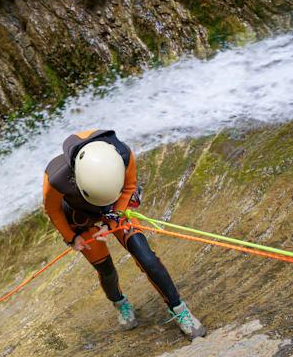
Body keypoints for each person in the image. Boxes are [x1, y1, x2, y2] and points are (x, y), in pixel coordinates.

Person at [43, 129, 206, 340]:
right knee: (106, 270)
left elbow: (128, 187)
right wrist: (71, 237)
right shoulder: (55, 178)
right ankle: (120, 303)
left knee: (147, 258)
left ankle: (178, 309)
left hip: (114, 205)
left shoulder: (122, 154)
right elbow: (52, 209)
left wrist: (114, 218)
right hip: (79, 215)